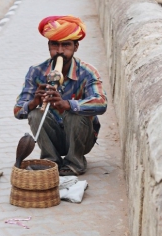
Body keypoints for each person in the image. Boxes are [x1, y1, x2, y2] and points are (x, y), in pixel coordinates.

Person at [14, 15, 107, 176]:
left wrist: (68, 104)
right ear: (49, 45)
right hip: (53, 136)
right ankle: (51, 161)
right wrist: (35, 101)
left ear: (76, 47)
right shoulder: (37, 71)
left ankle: (74, 163)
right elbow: (17, 111)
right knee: (35, 113)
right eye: (54, 45)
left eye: (66, 45)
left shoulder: (87, 72)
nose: (59, 51)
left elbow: (101, 104)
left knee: (75, 114)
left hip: (82, 138)